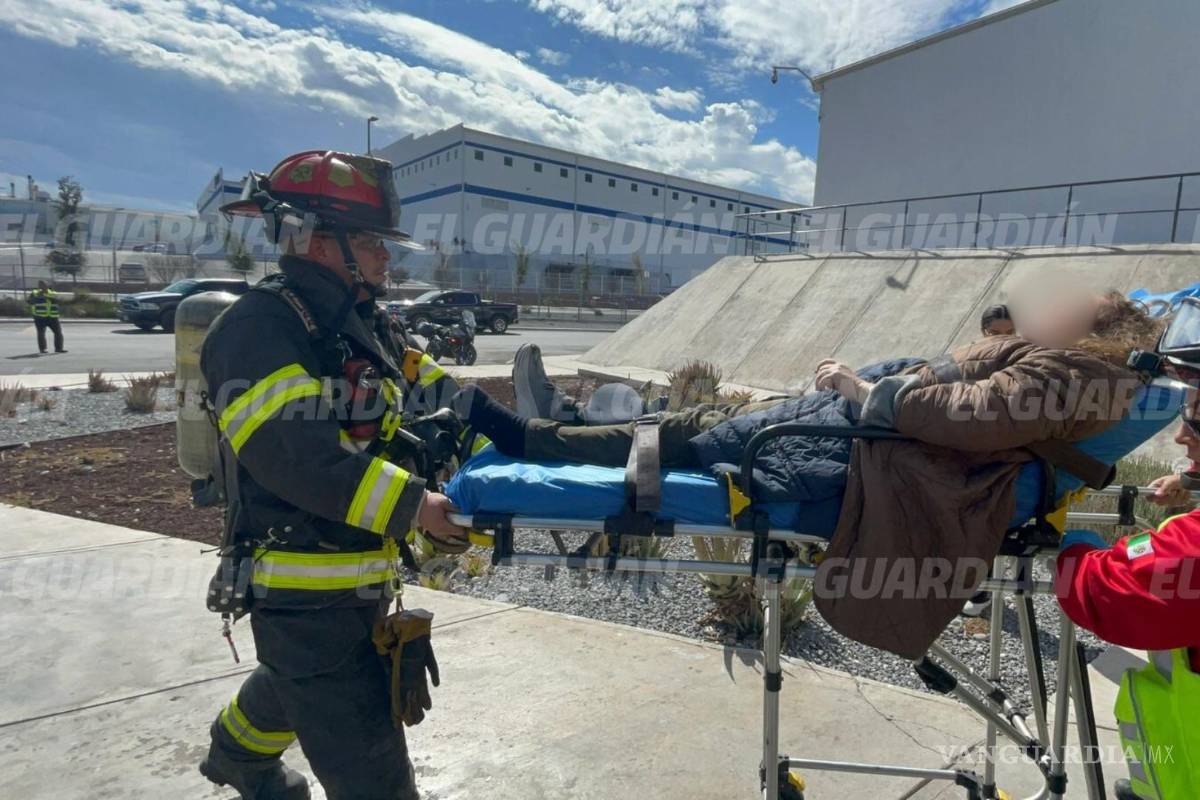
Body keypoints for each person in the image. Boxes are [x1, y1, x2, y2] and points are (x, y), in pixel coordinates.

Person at [459, 289, 1163, 658]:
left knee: (699, 435)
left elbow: (975, 414)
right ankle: (558, 430)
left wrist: (864, 391)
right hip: (873, 447)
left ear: (1100, 325)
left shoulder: (1080, 368)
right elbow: (974, 395)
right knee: (700, 427)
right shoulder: (1065, 359)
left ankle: (544, 434)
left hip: (868, 458)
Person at [198, 150, 466, 800]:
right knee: (378, 782)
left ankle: (235, 754)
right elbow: (298, 457)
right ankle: (240, 756)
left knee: (291, 685)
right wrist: (418, 506)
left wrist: (519, 441)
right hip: (305, 600)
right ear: (315, 240)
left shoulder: (364, 326)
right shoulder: (258, 328)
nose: (385, 257)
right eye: (371, 241)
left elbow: (445, 401)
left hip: (357, 584)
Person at [28, 280, 65, 353]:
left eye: (44, 284)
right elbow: (29, 301)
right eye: (40, 285)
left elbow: (59, 301)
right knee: (41, 333)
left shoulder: (53, 293)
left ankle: (59, 348)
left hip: (53, 317)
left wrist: (49, 298)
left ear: (47, 285)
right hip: (40, 317)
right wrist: (38, 298)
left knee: (58, 333)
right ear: (38, 286)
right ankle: (43, 349)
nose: (42, 286)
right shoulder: (35, 293)